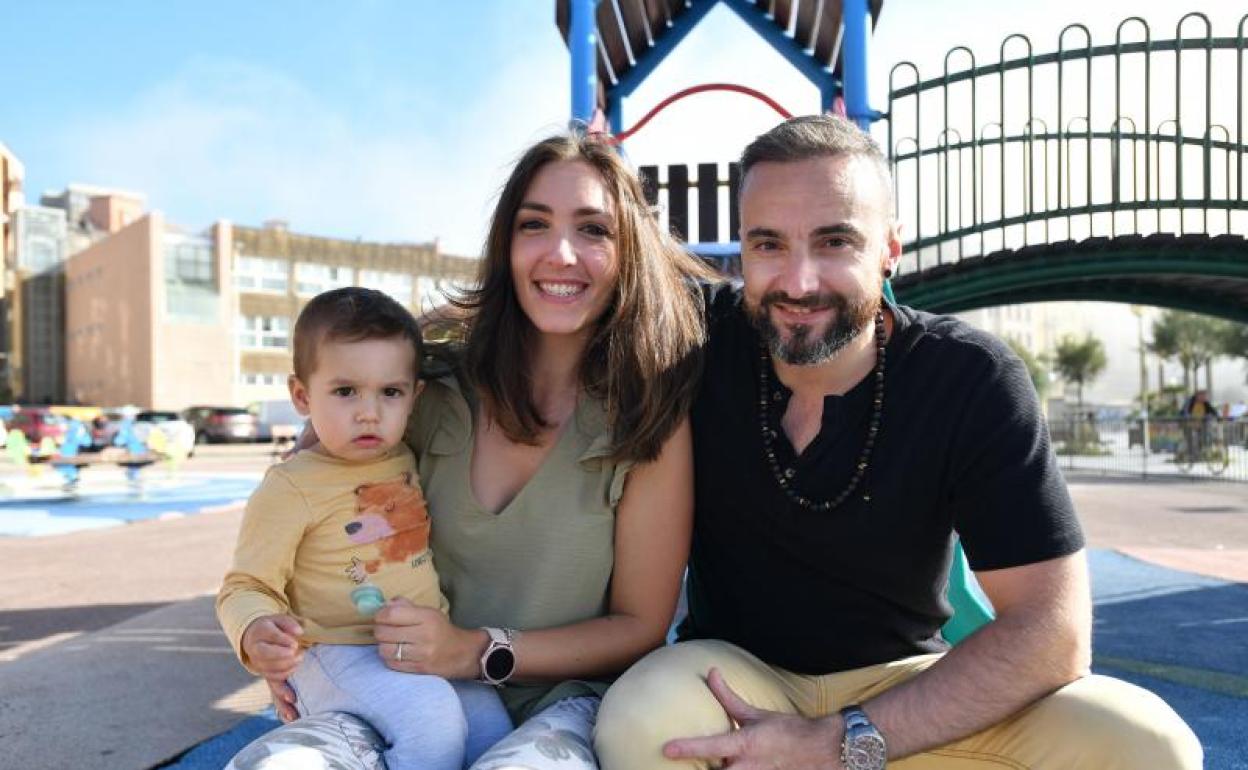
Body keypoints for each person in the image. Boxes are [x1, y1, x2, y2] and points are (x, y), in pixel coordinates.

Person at [594, 115, 1201, 769]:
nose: (798, 282)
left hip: (904, 688)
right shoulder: (691, 340)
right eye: (768, 244)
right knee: (645, 723)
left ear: (889, 249)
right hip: (734, 680)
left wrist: (843, 740)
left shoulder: (968, 375)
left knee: (1147, 743)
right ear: (741, 250)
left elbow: (1053, 630)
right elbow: (568, 284)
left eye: (834, 242)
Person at [227, 132, 715, 770]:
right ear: (505, 245)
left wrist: (475, 651)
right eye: (534, 224)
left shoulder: (646, 419)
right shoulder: (420, 386)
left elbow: (638, 626)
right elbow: (306, 498)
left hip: (560, 704)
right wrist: (278, 644)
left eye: (593, 229)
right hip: (393, 686)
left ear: (628, 253)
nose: (560, 253)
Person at [217, 287, 511, 769]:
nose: (369, 412)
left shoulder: (403, 456)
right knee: (430, 717)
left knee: (492, 729)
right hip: (334, 650)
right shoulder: (290, 487)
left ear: (413, 397)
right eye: (345, 391)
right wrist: (253, 631)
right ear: (301, 396)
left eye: (390, 392)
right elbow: (245, 585)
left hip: (418, 644)